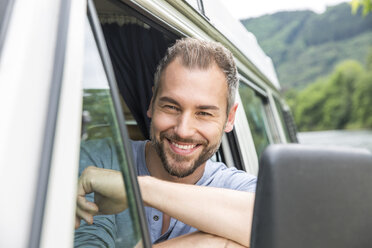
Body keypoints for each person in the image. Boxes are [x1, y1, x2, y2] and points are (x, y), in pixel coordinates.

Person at [75, 38, 256, 247]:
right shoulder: (99, 159)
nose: (183, 130)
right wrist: (214, 242)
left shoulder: (237, 187)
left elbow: (274, 223)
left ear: (230, 118)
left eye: (204, 113)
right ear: (152, 103)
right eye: (171, 107)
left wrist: (137, 188)